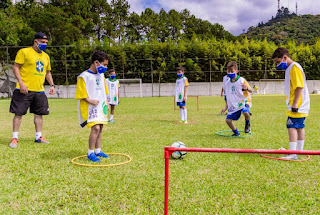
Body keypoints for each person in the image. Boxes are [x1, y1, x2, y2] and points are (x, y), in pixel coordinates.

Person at [9, 32, 55, 148]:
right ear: (36, 41)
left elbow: (47, 72)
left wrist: (52, 85)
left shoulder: (46, 56)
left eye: (46, 43)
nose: (44, 44)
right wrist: (21, 83)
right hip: (24, 89)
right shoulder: (24, 52)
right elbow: (16, 67)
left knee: (39, 114)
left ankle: (38, 136)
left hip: (39, 90)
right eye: (42, 42)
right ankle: (15, 138)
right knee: (18, 113)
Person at [272, 47, 310, 160]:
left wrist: (295, 104)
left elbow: (299, 86)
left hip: (298, 105)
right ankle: (299, 152)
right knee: (299, 127)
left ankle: (293, 154)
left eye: (278, 62)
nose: (278, 65)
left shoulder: (294, 67)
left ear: (285, 57)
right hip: (299, 104)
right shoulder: (290, 68)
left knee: (291, 127)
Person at [75, 50, 111, 162]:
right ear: (96, 62)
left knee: (100, 127)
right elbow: (81, 94)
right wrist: (90, 100)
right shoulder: (84, 76)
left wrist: (107, 102)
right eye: (104, 65)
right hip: (90, 107)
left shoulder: (101, 76)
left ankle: (98, 150)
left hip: (101, 106)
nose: (105, 67)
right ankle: (90, 152)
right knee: (95, 128)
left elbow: (105, 90)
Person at [221, 61, 252, 136]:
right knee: (228, 120)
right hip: (235, 104)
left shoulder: (241, 80)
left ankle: (247, 123)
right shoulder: (228, 83)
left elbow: (251, 90)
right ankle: (236, 133)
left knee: (245, 111)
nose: (230, 73)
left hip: (244, 101)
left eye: (232, 71)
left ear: (236, 71)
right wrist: (225, 107)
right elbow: (229, 97)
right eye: (229, 71)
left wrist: (246, 88)